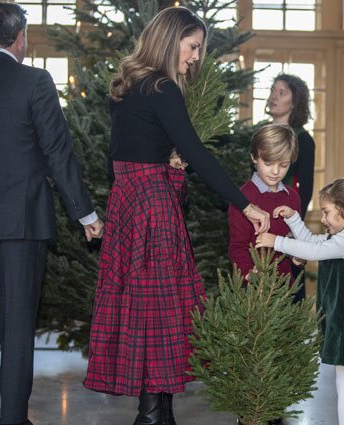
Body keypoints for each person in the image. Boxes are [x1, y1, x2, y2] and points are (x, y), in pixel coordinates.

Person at [82, 7, 269, 425]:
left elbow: (117, 160)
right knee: (161, 310)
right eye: (193, 46)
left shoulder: (128, 87)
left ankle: (158, 412)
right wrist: (245, 203)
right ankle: (151, 415)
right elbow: (198, 154)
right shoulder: (164, 88)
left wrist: (161, 168)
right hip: (152, 207)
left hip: (128, 201)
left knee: (145, 307)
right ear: (172, 40)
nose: (196, 57)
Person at [0, 3, 103, 425]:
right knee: (17, 325)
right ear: (19, 37)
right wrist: (87, 215)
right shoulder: (35, 81)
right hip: (22, 224)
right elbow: (58, 153)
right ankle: (12, 421)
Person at [255, 178, 344, 425]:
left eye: (327, 212)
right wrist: (294, 218)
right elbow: (311, 242)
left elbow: (314, 252)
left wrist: (276, 241)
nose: (324, 218)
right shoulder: (340, 237)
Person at [228, 124, 301, 288]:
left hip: (284, 288)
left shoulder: (293, 198)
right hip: (253, 291)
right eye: (268, 163)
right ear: (254, 157)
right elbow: (237, 246)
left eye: (284, 165)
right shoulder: (242, 199)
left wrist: (298, 254)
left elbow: (294, 239)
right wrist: (248, 273)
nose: (276, 171)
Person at [266, 73, 316, 302]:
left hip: (287, 219)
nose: (273, 96)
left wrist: (295, 227)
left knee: (289, 283)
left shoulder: (303, 140)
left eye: (281, 92)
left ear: (295, 102)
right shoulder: (262, 135)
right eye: (273, 90)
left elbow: (305, 190)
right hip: (259, 215)